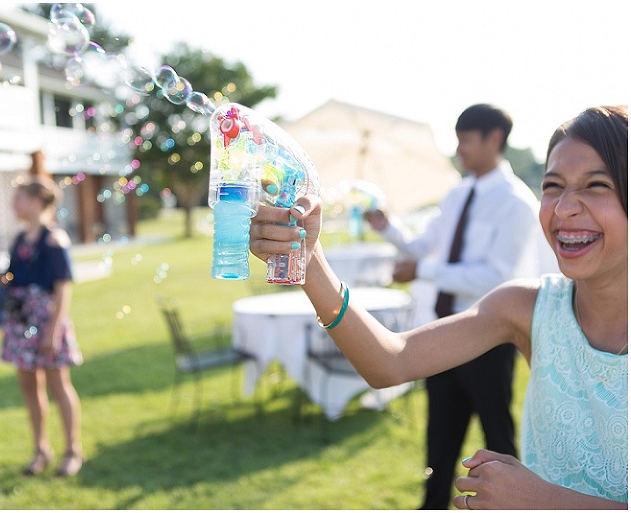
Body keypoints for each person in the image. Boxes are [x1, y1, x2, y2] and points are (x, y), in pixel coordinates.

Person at [248, 105, 627, 509]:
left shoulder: (511, 201)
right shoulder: (524, 307)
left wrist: (540, 500)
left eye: (596, 185)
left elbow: (481, 272)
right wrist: (310, 265)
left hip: (487, 359)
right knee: (440, 451)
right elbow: (389, 362)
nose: (564, 207)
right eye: (553, 185)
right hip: (453, 331)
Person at [363, 104, 551, 509]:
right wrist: (387, 227)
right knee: (440, 442)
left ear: (494, 139)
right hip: (443, 334)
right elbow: (422, 246)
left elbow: (494, 277)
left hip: (488, 341)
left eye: (466, 139)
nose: (459, 149)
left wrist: (424, 270)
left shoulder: (516, 203)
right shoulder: (457, 194)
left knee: (498, 437)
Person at [0, 176, 84, 477]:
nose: (14, 204)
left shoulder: (54, 240)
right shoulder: (19, 239)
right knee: (29, 387)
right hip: (21, 321)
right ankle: (41, 449)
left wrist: (53, 331)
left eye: (20, 198)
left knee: (58, 384)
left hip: (46, 320)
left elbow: (63, 288)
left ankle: (72, 450)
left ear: (37, 202)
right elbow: (12, 279)